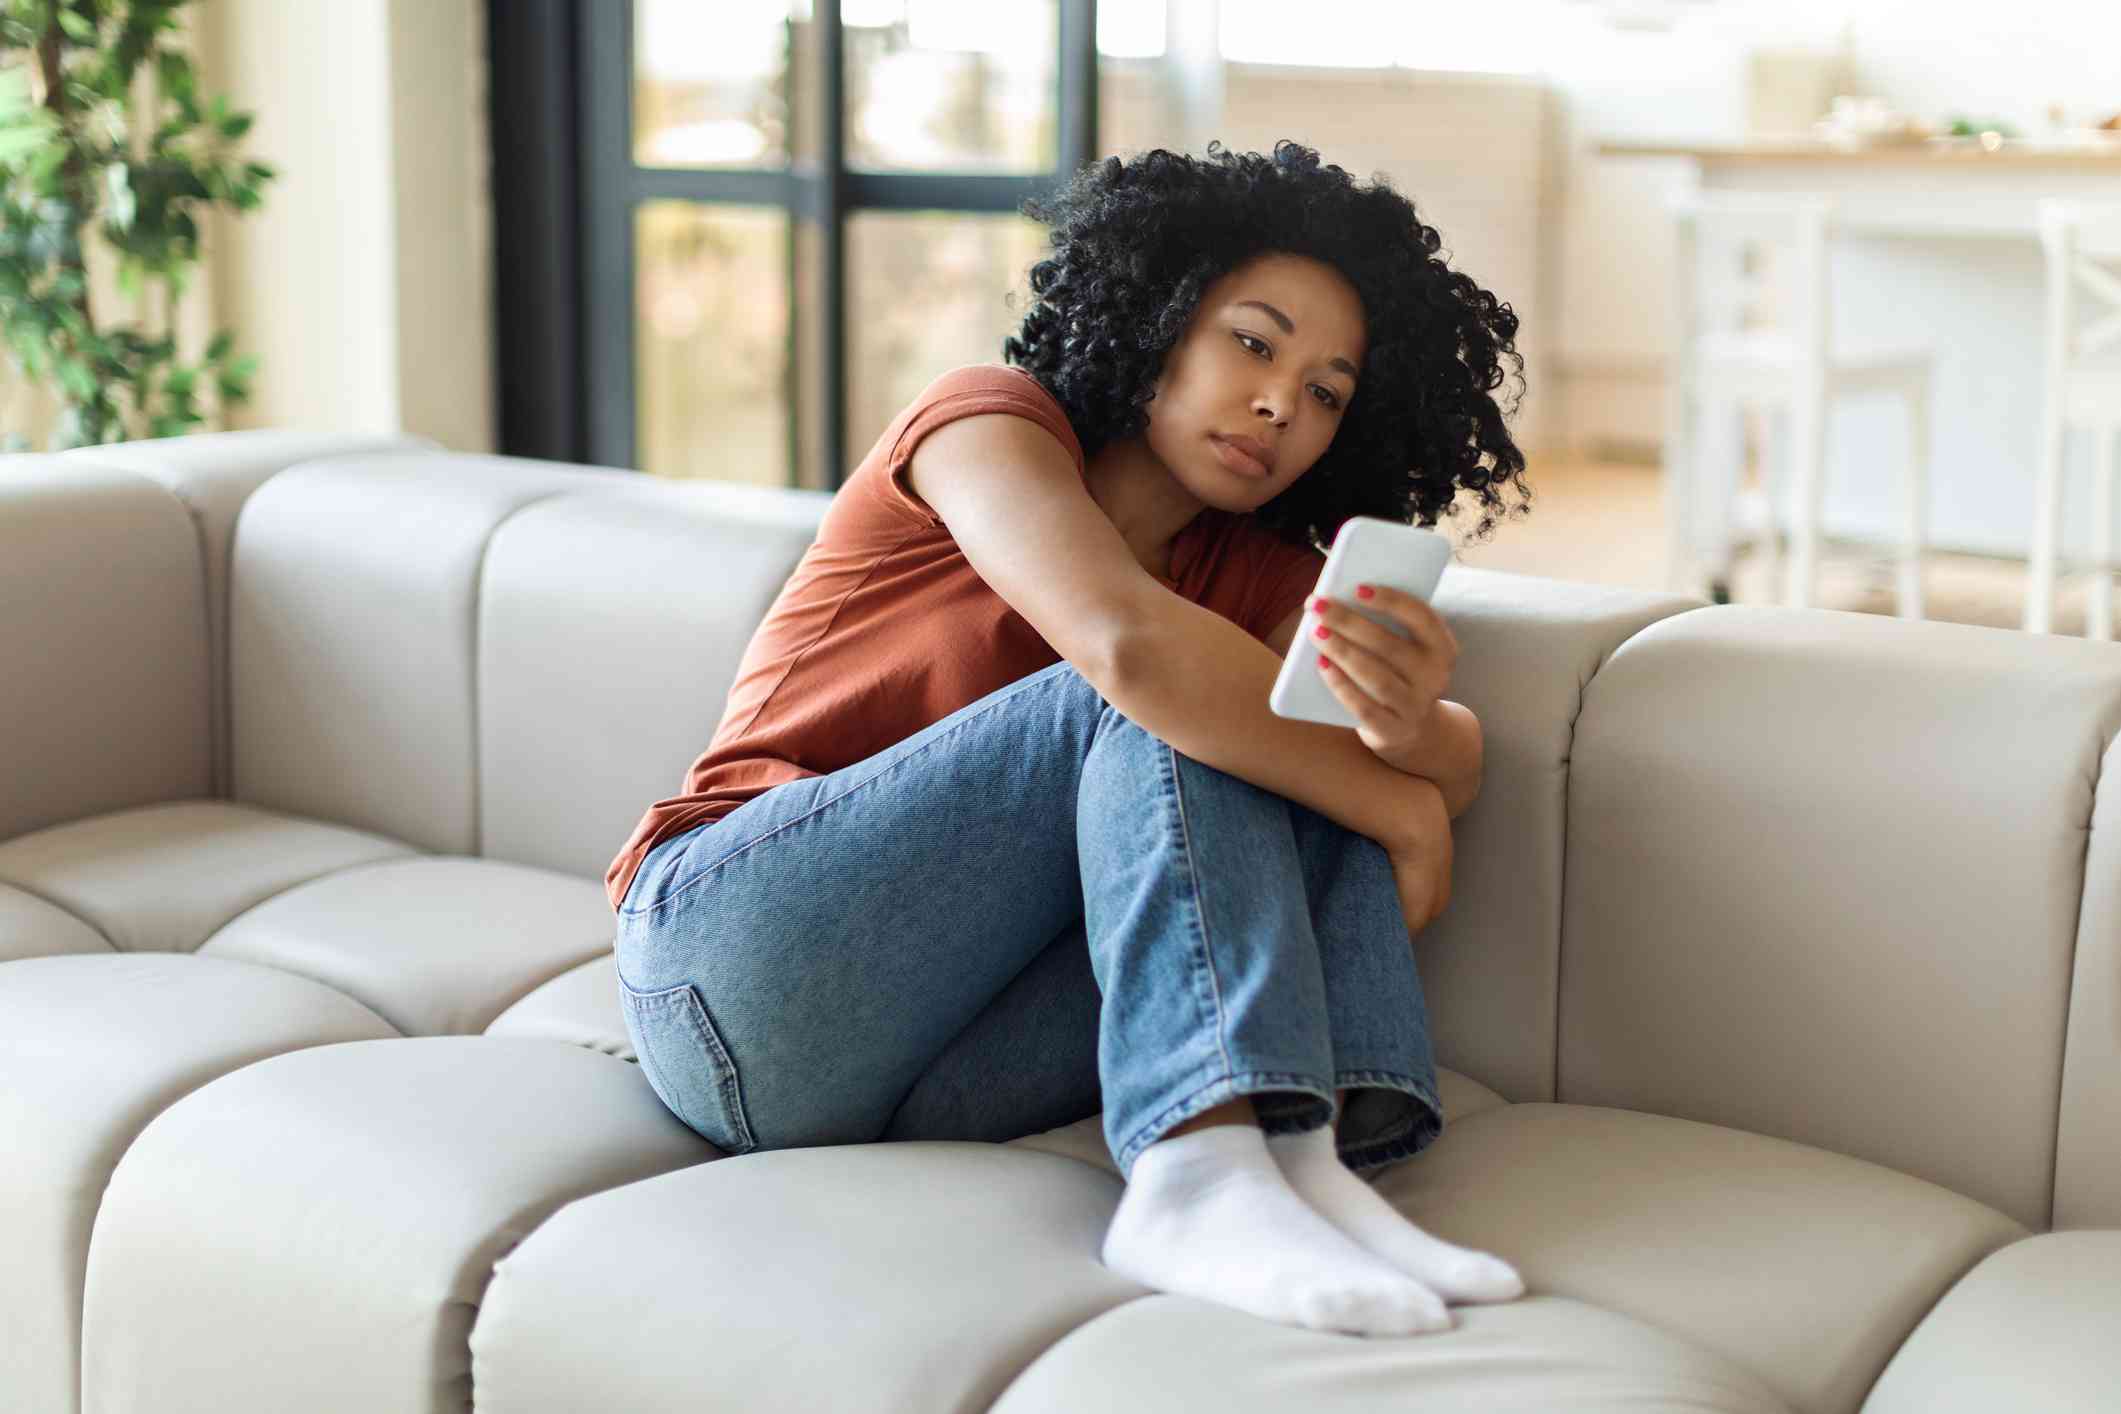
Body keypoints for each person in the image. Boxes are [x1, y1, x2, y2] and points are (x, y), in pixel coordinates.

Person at [604, 140, 1535, 1338]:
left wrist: (1407, 730)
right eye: (1253, 344)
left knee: (1277, 740)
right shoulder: (984, 424)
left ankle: (1305, 1160)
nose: (1278, 406)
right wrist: (1402, 804)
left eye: (1326, 394)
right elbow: (1124, 647)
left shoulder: (1258, 574)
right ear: (1158, 314)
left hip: (923, 1063)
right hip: (727, 964)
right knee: (1168, 696)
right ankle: (1196, 1174)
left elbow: (1442, 757)